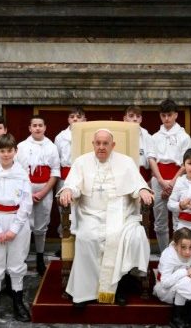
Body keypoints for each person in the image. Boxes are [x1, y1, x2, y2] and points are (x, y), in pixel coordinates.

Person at [58, 129, 154, 306]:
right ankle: (85, 292)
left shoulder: (126, 162)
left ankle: (118, 287)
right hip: (90, 214)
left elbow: (137, 183)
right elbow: (73, 184)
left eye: (105, 143)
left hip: (121, 213)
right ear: (93, 144)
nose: (101, 147)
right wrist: (68, 190)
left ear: (113, 145)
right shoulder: (81, 162)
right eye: (98, 143)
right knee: (87, 238)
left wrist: (142, 190)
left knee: (126, 236)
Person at [0, 134, 33, 324]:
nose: (6, 154)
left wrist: (14, 229)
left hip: (17, 222)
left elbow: (27, 203)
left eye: (9, 150)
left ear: (15, 152)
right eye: (2, 151)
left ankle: (18, 303)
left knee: (16, 264)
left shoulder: (22, 174)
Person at [17, 115, 61, 275]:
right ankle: (22, 256)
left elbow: (55, 171)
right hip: (26, 188)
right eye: (34, 125)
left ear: (45, 127)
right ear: (29, 128)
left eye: (40, 125)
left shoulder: (51, 147)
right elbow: (19, 171)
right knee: (25, 224)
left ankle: (40, 257)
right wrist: (28, 193)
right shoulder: (21, 146)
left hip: (45, 188)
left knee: (41, 225)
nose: (37, 128)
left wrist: (43, 192)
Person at [149, 99, 191, 252]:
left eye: (169, 115)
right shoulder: (154, 137)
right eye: (163, 115)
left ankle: (177, 252)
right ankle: (163, 253)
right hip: (158, 178)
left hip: (177, 178)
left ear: (175, 115)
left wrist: (173, 182)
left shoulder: (184, 137)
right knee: (160, 219)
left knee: (177, 218)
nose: (166, 119)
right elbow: (151, 159)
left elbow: (186, 162)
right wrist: (160, 180)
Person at [154, 228, 191, 328]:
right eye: (183, 247)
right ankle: (177, 317)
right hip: (166, 290)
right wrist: (183, 272)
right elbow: (165, 283)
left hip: (186, 287)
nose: (188, 252)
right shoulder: (168, 255)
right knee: (186, 281)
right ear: (175, 246)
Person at [54, 106, 86, 240]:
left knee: (82, 210)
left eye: (78, 117)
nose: (75, 119)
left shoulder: (90, 135)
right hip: (65, 176)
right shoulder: (61, 137)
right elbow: (57, 160)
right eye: (72, 117)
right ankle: (65, 244)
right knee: (65, 211)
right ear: (68, 119)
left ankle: (81, 242)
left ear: (84, 119)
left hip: (83, 177)